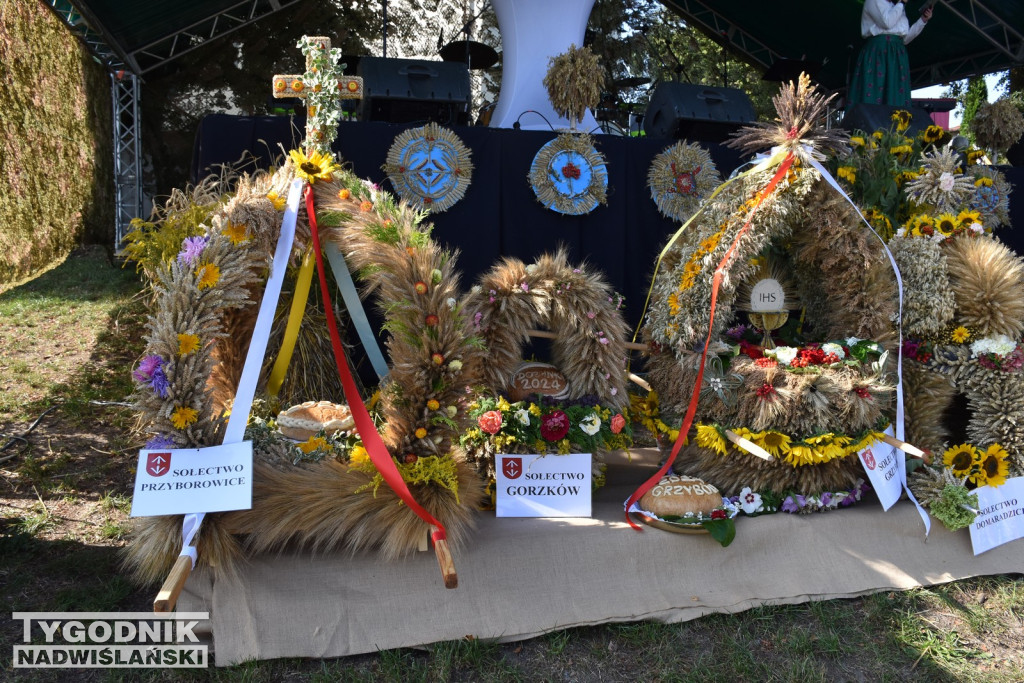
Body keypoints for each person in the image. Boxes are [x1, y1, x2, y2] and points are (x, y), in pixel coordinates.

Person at [848, 0, 933, 108]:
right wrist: (901, 3)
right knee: (874, 92)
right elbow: (887, 22)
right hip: (879, 52)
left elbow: (904, 38)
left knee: (896, 94)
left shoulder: (896, 6)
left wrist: (923, 20)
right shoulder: (873, 1)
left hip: (897, 52)